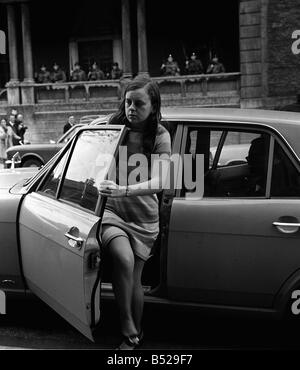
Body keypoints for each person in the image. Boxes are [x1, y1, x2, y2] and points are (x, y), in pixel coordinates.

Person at [98, 76, 171, 349]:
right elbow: (96, 164)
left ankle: (133, 336)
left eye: (139, 103)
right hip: (113, 213)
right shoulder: (113, 126)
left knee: (135, 279)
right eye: (127, 102)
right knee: (123, 259)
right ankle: (126, 321)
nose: (131, 108)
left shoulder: (161, 135)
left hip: (144, 218)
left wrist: (123, 189)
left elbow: (161, 181)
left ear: (153, 106)